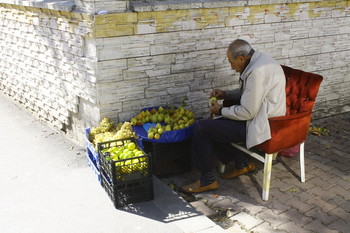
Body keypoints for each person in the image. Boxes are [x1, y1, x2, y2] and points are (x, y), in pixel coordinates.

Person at [180, 39, 286, 193]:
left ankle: (207, 180)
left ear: (241, 58)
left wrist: (221, 110)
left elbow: (248, 112)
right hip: (258, 117)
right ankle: (241, 162)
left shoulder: (257, 72)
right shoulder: (259, 60)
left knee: (202, 128)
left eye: (232, 62)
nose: (232, 67)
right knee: (212, 125)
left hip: (262, 124)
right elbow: (250, 94)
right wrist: (226, 94)